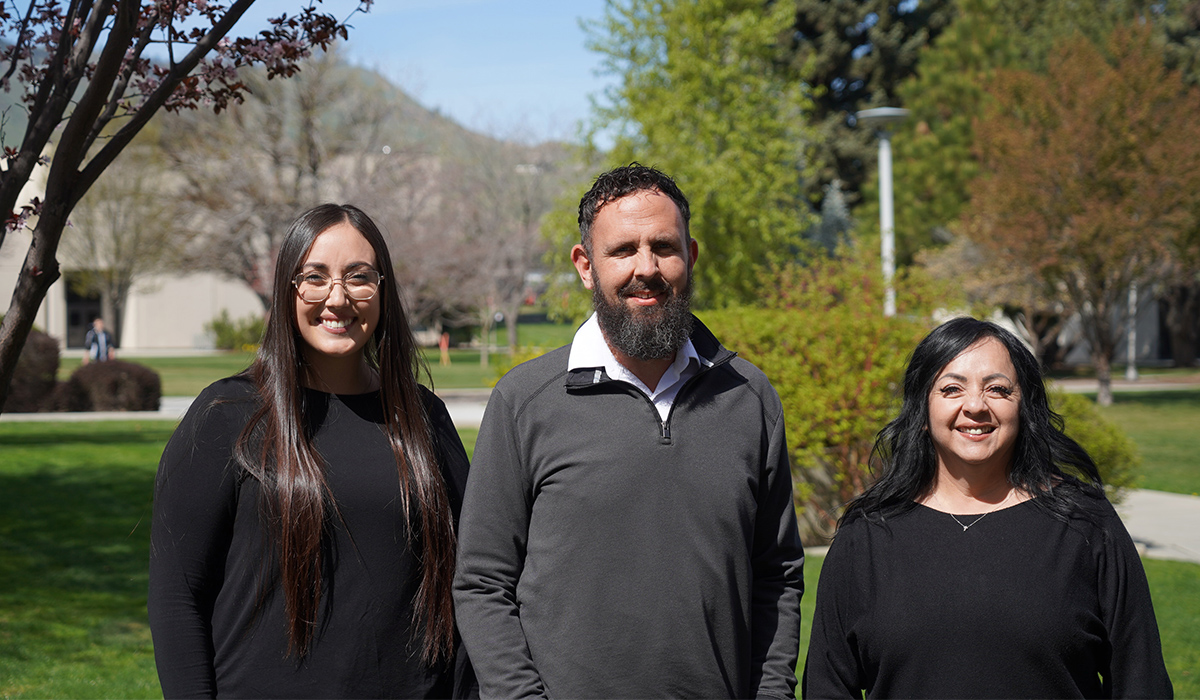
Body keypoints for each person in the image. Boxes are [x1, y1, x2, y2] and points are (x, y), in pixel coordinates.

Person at [453, 164, 805, 699]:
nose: (647, 268)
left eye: (663, 246)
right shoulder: (524, 402)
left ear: (691, 255)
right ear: (585, 265)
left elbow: (777, 577)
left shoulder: (749, 399)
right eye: (622, 250)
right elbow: (482, 584)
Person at [149, 204, 472, 698]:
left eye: (359, 277)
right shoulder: (228, 416)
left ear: (383, 290)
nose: (337, 299)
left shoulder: (423, 418)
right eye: (314, 277)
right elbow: (177, 598)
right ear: (287, 289)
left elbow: (466, 581)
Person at [803, 317, 1173, 699]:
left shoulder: (1085, 523)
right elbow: (827, 687)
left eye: (997, 389)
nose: (975, 406)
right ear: (922, 410)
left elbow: (1139, 679)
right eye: (951, 389)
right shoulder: (866, 537)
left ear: (1023, 405)